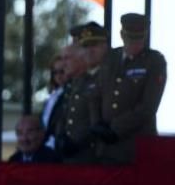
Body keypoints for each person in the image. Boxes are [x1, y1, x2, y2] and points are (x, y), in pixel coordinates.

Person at [91, 13, 167, 164]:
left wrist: (116, 128)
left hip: (136, 146)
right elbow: (95, 95)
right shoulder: (110, 58)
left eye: (139, 39)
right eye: (131, 39)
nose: (135, 44)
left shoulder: (154, 61)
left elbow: (148, 106)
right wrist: (97, 124)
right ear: (122, 35)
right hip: (106, 147)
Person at [54, 42, 99, 163]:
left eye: (67, 58)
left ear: (82, 58)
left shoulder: (94, 83)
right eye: (62, 58)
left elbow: (97, 121)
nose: (63, 64)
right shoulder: (71, 86)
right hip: (68, 158)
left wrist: (77, 143)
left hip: (87, 157)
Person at [40, 53, 68, 149]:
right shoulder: (52, 96)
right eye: (55, 72)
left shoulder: (70, 94)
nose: (58, 76)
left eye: (62, 71)